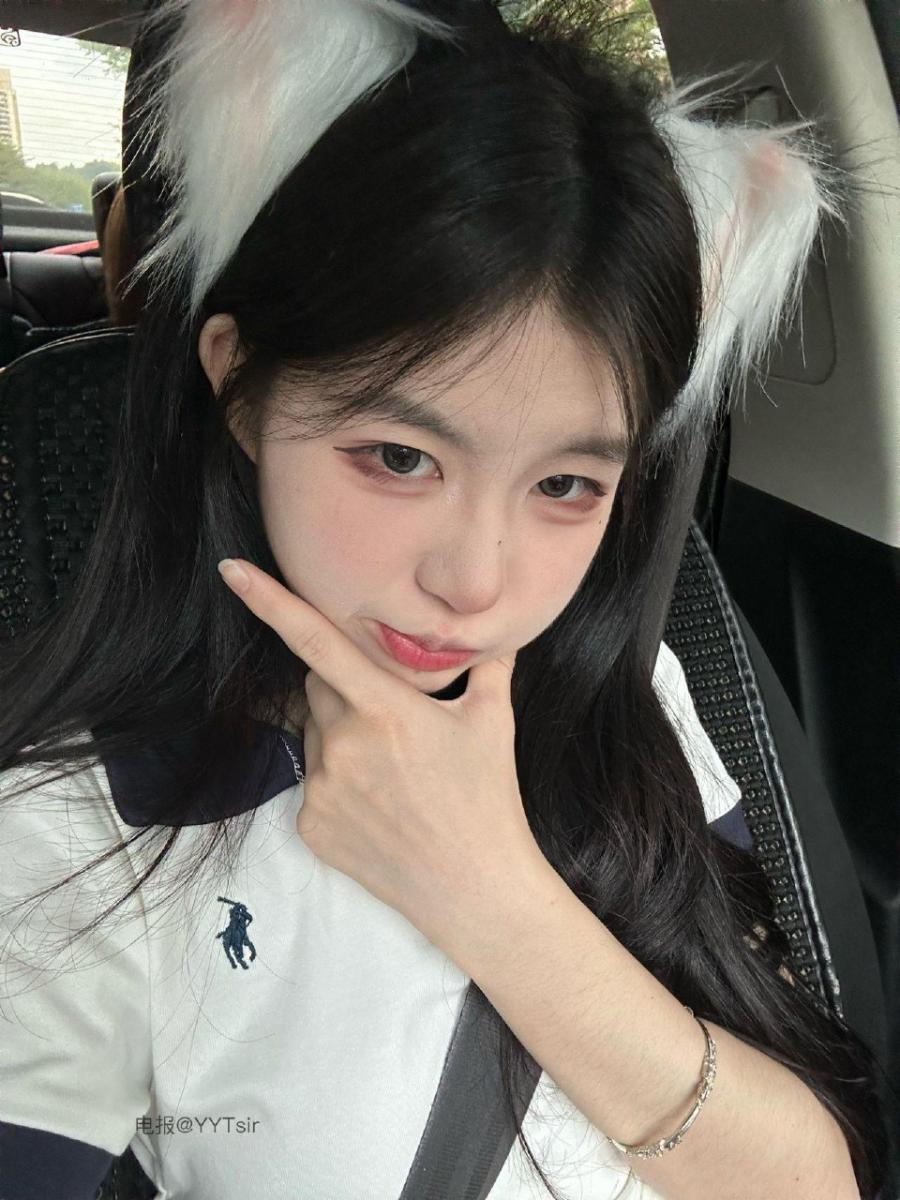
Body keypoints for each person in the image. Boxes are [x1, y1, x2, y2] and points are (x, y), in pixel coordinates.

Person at [0, 2, 890, 1199]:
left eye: (566, 484)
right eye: (399, 457)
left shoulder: (632, 694)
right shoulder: (78, 825)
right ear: (242, 388)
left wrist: (489, 890)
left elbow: (814, 1179)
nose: (476, 582)